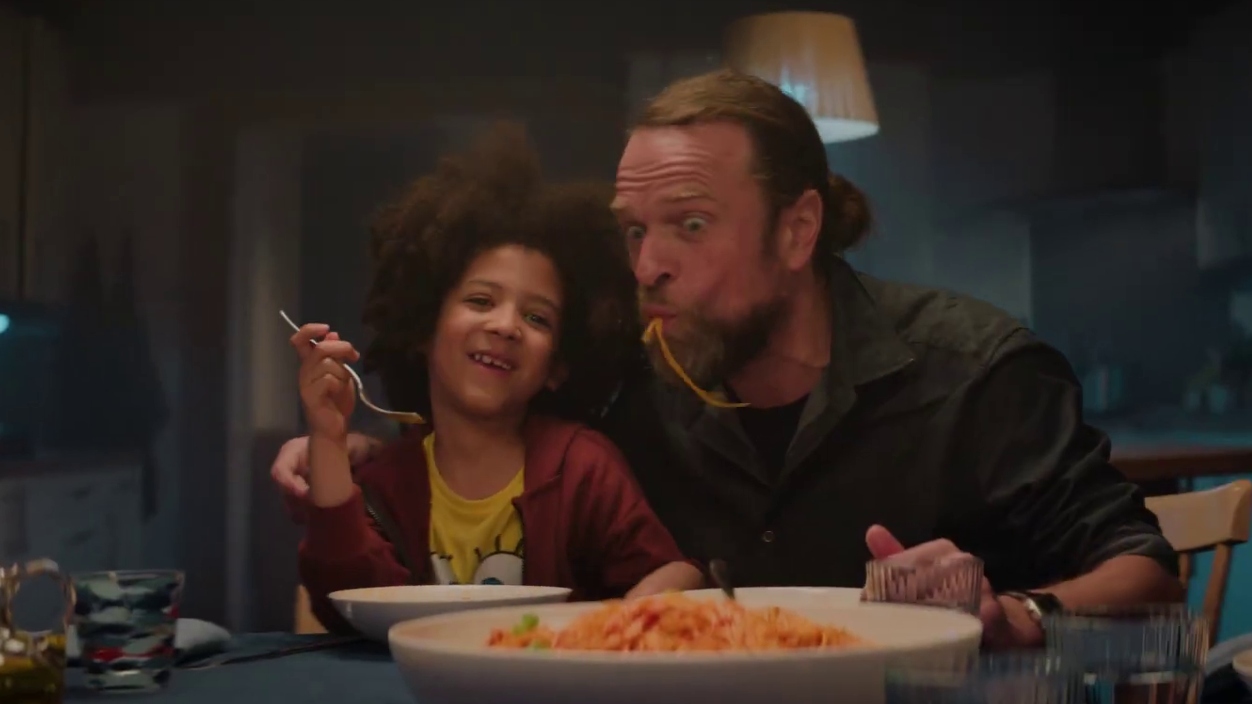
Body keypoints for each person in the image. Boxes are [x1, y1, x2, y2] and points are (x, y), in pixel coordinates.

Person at [273, 71, 1182, 647]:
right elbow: (493, 432)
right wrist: (352, 453)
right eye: (635, 232)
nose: (648, 266)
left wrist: (1018, 613)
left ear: (798, 229)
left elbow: (1144, 569)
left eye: (691, 225)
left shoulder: (975, 372)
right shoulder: (625, 382)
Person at [291, 123, 702, 633]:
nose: (506, 326)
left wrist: (610, 629)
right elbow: (347, 603)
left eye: (537, 318)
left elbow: (676, 573)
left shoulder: (581, 468)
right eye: (481, 300)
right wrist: (327, 440)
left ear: (558, 366)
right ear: (423, 327)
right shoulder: (387, 480)